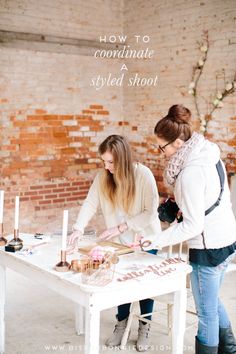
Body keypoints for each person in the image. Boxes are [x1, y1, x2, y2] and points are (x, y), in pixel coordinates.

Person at [150, 104, 236, 354]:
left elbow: (193, 225)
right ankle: (229, 348)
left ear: (177, 143)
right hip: (227, 238)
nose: (161, 153)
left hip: (207, 247)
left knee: (206, 312)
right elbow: (210, 198)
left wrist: (154, 241)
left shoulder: (188, 173)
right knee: (212, 300)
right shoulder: (208, 152)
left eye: (162, 147)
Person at [67, 134, 161, 351]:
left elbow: (150, 211)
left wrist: (121, 227)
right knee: (120, 283)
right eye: (104, 161)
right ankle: (121, 323)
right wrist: (78, 228)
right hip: (119, 244)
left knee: (144, 285)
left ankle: (144, 326)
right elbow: (90, 202)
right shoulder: (103, 177)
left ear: (124, 158)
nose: (107, 167)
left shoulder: (142, 174)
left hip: (145, 240)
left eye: (111, 162)